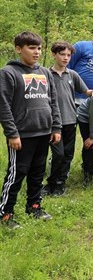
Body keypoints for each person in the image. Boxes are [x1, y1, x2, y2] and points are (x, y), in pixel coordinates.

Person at [0, 32, 61, 229]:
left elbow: (53, 102)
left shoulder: (45, 73)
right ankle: (6, 213)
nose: (37, 52)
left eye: (39, 48)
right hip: (22, 135)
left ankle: (34, 206)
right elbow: (3, 106)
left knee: (37, 172)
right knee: (16, 174)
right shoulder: (8, 73)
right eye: (32, 48)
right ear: (19, 49)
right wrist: (12, 133)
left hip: (44, 133)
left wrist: (56, 127)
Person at [44, 41, 93, 197]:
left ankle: (60, 183)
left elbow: (85, 91)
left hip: (70, 120)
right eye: (62, 54)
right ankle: (51, 182)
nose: (66, 58)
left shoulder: (72, 74)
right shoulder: (46, 74)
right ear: (54, 54)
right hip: (54, 122)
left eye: (69, 55)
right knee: (58, 154)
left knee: (68, 154)